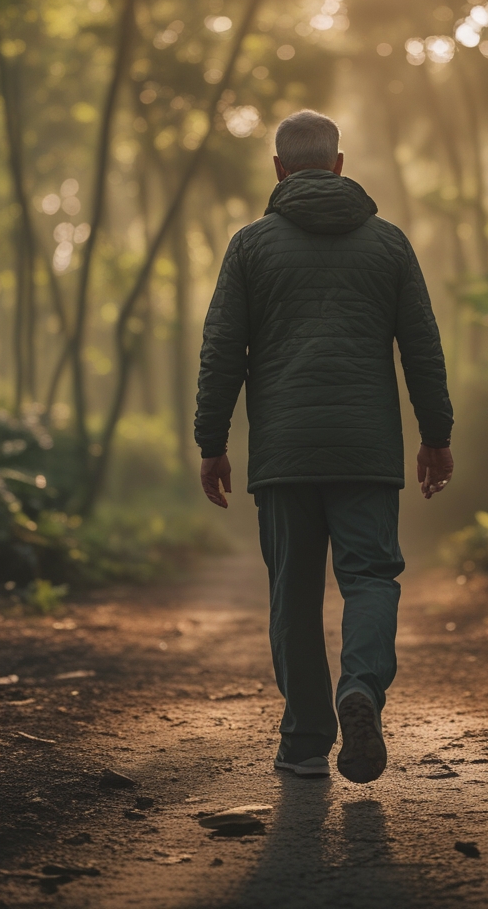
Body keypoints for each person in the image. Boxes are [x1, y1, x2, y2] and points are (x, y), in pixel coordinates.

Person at [195, 109, 454, 784]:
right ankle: (359, 689)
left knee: (294, 592)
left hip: (284, 454)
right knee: (370, 578)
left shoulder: (251, 245)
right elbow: (422, 346)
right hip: (366, 450)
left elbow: (222, 351)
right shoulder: (389, 244)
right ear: (339, 165)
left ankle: (307, 741)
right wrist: (436, 436)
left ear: (279, 170)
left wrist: (212, 442)